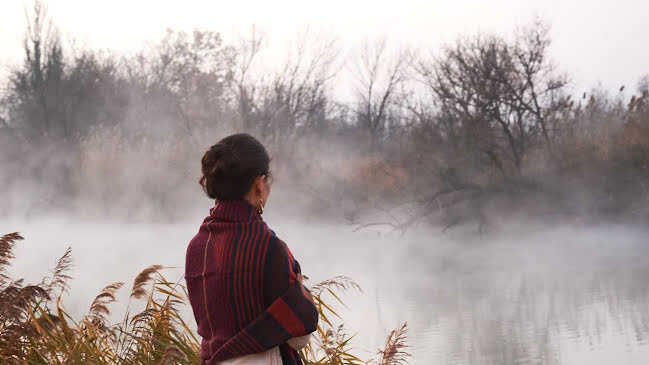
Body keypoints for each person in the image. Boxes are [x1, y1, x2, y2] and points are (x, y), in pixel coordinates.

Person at [185, 133, 318, 365]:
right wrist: (305, 299)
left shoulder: (197, 247)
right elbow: (299, 337)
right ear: (259, 183)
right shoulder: (269, 247)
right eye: (268, 181)